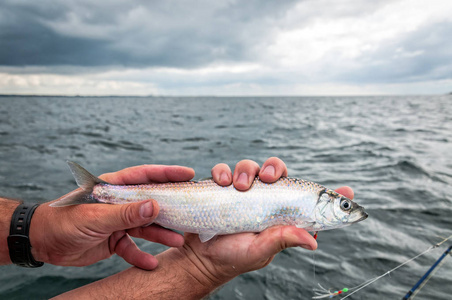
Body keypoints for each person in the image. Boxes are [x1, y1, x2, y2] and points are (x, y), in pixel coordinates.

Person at [0, 157, 354, 299]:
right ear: (322, 201)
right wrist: (199, 272)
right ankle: (96, 191)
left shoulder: (306, 201)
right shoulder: (308, 199)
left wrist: (35, 231)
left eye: (345, 206)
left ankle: (94, 192)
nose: (349, 211)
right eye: (344, 206)